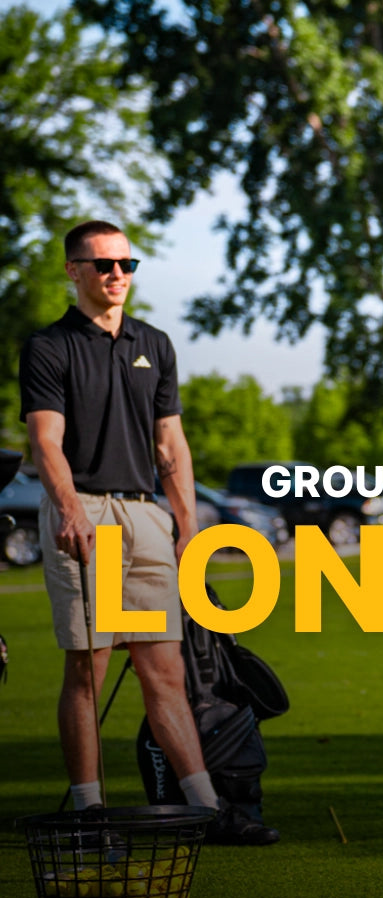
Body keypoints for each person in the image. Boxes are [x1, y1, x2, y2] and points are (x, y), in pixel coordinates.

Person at [19, 219, 278, 844]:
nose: (117, 275)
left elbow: (172, 446)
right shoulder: (50, 347)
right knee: (89, 671)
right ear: (73, 271)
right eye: (103, 264)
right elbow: (44, 440)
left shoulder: (155, 345)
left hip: (146, 518)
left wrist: (190, 527)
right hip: (87, 513)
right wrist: (70, 511)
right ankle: (88, 815)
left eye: (127, 264)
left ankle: (207, 809)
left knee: (166, 672)